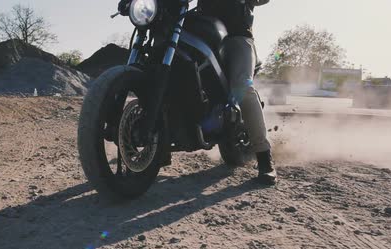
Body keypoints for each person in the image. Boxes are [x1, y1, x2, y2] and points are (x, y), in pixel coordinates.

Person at [118, 0, 277, 185]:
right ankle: (161, 145)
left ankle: (264, 157)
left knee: (243, 87)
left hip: (237, 36)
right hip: (198, 28)